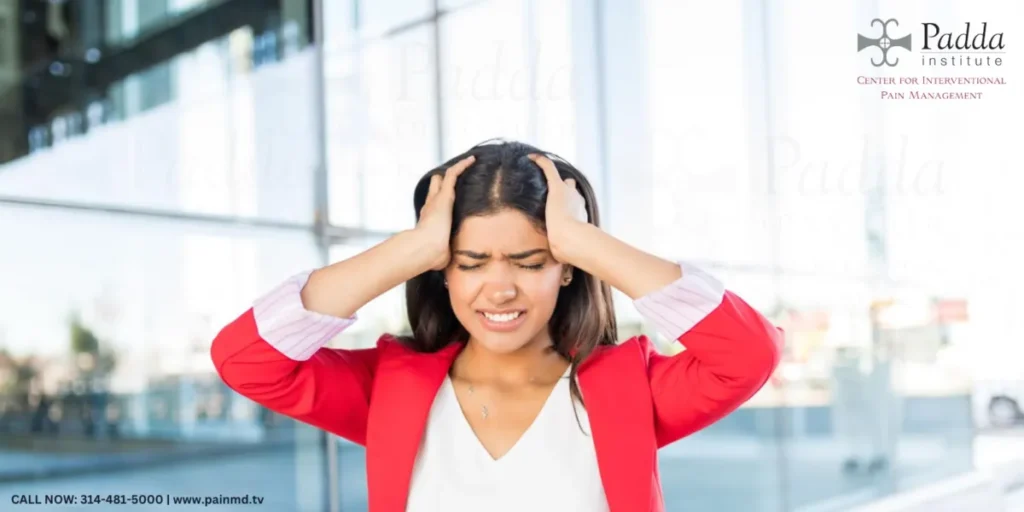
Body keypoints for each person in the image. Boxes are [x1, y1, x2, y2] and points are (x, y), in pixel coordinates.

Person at [211, 140, 784, 512]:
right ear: (441, 270)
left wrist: (584, 241)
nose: (501, 288)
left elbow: (749, 353)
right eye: (471, 263)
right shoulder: (392, 388)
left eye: (530, 263)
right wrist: (409, 250)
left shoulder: (626, 388)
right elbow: (244, 360)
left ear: (567, 269)